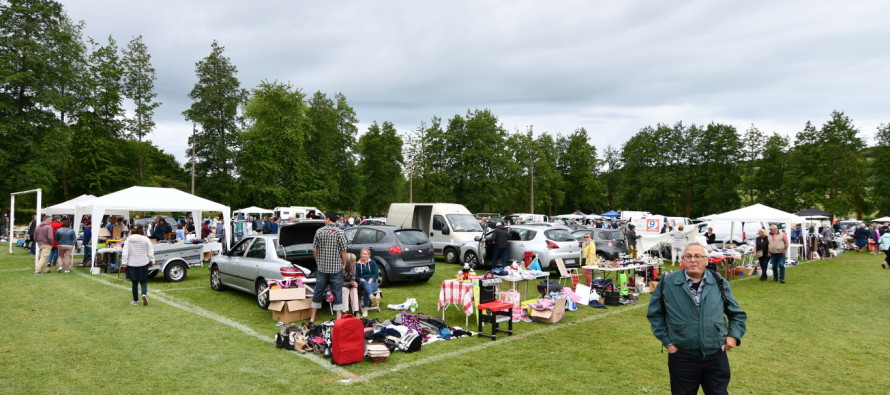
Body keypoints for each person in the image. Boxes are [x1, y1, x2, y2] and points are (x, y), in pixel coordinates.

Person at [647, 241, 747, 395]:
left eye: (698, 256)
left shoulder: (718, 281)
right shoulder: (668, 282)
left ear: (707, 260)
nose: (693, 260)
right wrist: (668, 343)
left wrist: (733, 335)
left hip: (715, 355)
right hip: (682, 356)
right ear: (683, 260)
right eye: (689, 256)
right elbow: (655, 314)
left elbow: (736, 313)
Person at [309, 212, 348, 322]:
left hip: (322, 267)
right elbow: (344, 251)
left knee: (318, 291)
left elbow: (314, 249)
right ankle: (338, 318)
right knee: (337, 292)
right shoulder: (340, 232)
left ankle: (312, 317)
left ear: (327, 219)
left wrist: (317, 260)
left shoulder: (319, 231)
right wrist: (344, 264)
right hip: (336, 267)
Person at [123, 226, 155, 306]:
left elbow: (125, 252)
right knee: (143, 281)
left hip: (132, 263)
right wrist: (152, 260)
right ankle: (144, 294)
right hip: (143, 262)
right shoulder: (145, 239)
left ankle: (135, 300)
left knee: (134, 282)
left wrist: (124, 262)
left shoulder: (128, 239)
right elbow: (150, 251)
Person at [355, 248, 380, 317]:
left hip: (372, 283)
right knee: (364, 283)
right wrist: (360, 279)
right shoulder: (357, 265)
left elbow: (376, 274)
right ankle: (371, 297)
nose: (364, 255)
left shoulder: (372, 262)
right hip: (361, 284)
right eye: (363, 254)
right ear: (360, 255)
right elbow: (355, 277)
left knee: (366, 290)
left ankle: (365, 310)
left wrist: (371, 279)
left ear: (369, 255)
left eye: (366, 254)